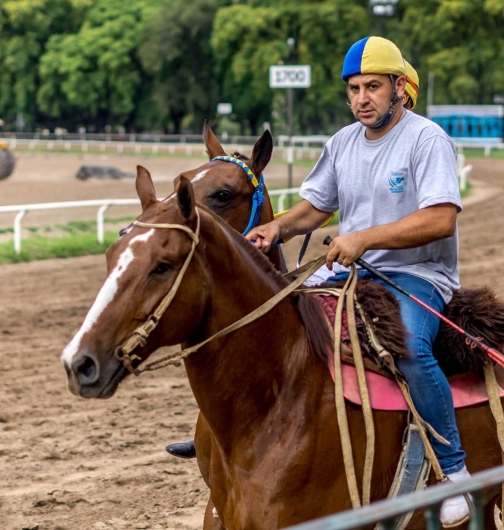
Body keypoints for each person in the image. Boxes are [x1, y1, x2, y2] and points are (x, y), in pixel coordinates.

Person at [167, 38, 470, 525]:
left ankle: (455, 470)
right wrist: (277, 227)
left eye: (372, 87)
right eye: (354, 89)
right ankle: (218, 433)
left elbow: (440, 219)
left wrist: (365, 238)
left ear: (398, 88)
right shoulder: (343, 142)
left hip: (415, 275)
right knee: (263, 331)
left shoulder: (426, 138)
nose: (361, 98)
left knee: (411, 348)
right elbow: (314, 207)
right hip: (346, 272)